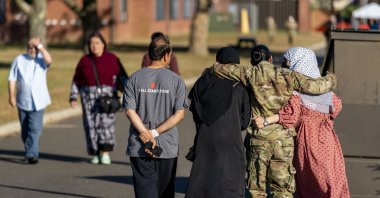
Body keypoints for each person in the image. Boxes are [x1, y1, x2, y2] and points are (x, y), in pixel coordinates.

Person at [211, 44, 337, 198]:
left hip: (259, 140)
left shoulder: (249, 73)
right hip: (283, 141)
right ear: (271, 59)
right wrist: (331, 79)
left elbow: (223, 69)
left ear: (252, 61)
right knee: (282, 190)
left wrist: (214, 66)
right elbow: (315, 86)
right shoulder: (288, 75)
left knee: (257, 190)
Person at [253, 47, 350, 198]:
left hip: (307, 143)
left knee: (310, 185)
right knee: (331, 183)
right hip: (329, 142)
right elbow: (337, 106)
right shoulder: (324, 90)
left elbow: (291, 116)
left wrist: (265, 121)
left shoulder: (295, 92)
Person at [123, 35, 187, 198]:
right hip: (166, 146)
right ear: (166, 55)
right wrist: (154, 133)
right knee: (165, 192)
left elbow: (130, 111)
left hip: (139, 145)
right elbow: (179, 114)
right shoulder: (176, 80)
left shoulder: (134, 79)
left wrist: (146, 133)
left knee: (144, 190)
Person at [185, 47, 251, 198]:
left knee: (203, 181)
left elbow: (195, 111)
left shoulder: (202, 82)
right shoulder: (239, 86)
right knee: (229, 183)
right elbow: (245, 121)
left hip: (204, 139)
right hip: (230, 140)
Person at [69, 31, 128, 165]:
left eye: (97, 43)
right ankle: (95, 152)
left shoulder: (112, 59)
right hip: (88, 98)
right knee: (90, 125)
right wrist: (73, 96)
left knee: (106, 125)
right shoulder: (84, 61)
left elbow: (123, 77)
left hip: (108, 98)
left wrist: (128, 93)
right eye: (92, 43)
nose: (94, 46)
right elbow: (77, 80)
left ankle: (105, 152)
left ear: (103, 44)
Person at [8, 37, 52, 164]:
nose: (31, 49)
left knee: (34, 128)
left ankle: (32, 155)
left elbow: (49, 60)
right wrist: (11, 95)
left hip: (38, 101)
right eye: (29, 47)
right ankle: (29, 150)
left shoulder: (41, 60)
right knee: (25, 130)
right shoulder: (19, 60)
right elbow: (12, 79)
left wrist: (40, 47)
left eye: (34, 47)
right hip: (23, 100)